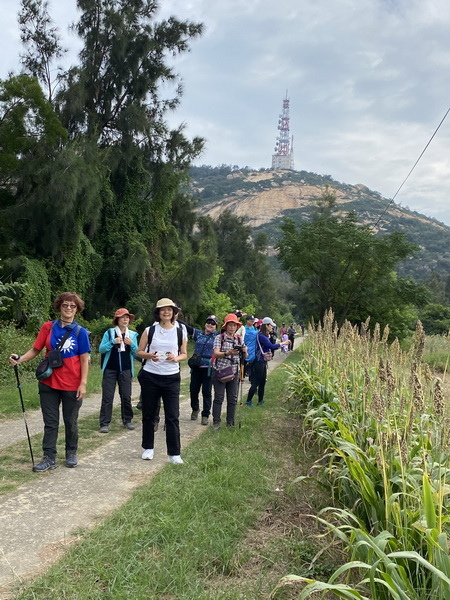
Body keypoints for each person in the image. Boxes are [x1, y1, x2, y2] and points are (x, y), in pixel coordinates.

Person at [9, 292, 91, 471]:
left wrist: (83, 383)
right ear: (59, 307)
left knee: (71, 421)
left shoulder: (81, 332)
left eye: (72, 306)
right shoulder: (48, 327)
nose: (68, 308)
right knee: (50, 422)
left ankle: (71, 452)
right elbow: (35, 349)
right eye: (65, 305)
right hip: (49, 382)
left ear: (77, 309)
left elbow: (85, 360)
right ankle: (49, 457)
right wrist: (20, 358)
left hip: (72, 384)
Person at [137, 298, 187, 464]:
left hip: (171, 377)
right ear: (158, 313)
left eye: (169, 309)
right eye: (162, 310)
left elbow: (184, 353)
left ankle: (174, 453)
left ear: (173, 312)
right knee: (149, 414)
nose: (166, 312)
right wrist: (150, 355)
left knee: (172, 415)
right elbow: (139, 351)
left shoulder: (181, 331)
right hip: (151, 375)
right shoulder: (149, 330)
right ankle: (148, 448)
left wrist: (176, 358)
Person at [98, 308, 139, 433]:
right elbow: (101, 349)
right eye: (122, 317)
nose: (125, 320)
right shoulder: (109, 333)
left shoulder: (132, 335)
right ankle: (104, 423)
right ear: (117, 320)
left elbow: (137, 353)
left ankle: (127, 420)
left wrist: (131, 344)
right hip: (110, 369)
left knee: (126, 396)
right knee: (107, 397)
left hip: (126, 369)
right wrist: (112, 342)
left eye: (127, 317)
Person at [211, 313, 247, 429]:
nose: (232, 327)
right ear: (225, 326)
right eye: (230, 325)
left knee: (233, 398)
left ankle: (230, 422)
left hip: (234, 372)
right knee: (219, 397)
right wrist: (228, 353)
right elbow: (216, 353)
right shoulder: (219, 338)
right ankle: (216, 422)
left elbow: (245, 357)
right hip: (220, 371)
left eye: (234, 325)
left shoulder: (239, 339)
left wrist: (244, 350)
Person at [183, 315, 220, 426]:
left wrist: (236, 315)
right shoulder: (198, 334)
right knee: (193, 390)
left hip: (208, 368)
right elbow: (185, 326)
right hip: (196, 367)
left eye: (213, 323)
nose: (210, 324)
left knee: (206, 392)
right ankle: (195, 409)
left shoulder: (218, 336)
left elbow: (227, 327)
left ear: (216, 326)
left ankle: (205, 415)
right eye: (208, 322)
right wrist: (173, 315)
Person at [245, 317, 289, 407]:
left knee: (262, 382)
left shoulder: (264, 335)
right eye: (271, 326)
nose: (272, 328)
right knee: (256, 382)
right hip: (258, 362)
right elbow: (271, 346)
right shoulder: (261, 336)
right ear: (266, 325)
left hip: (262, 361)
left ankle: (260, 401)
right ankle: (248, 401)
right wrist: (283, 343)